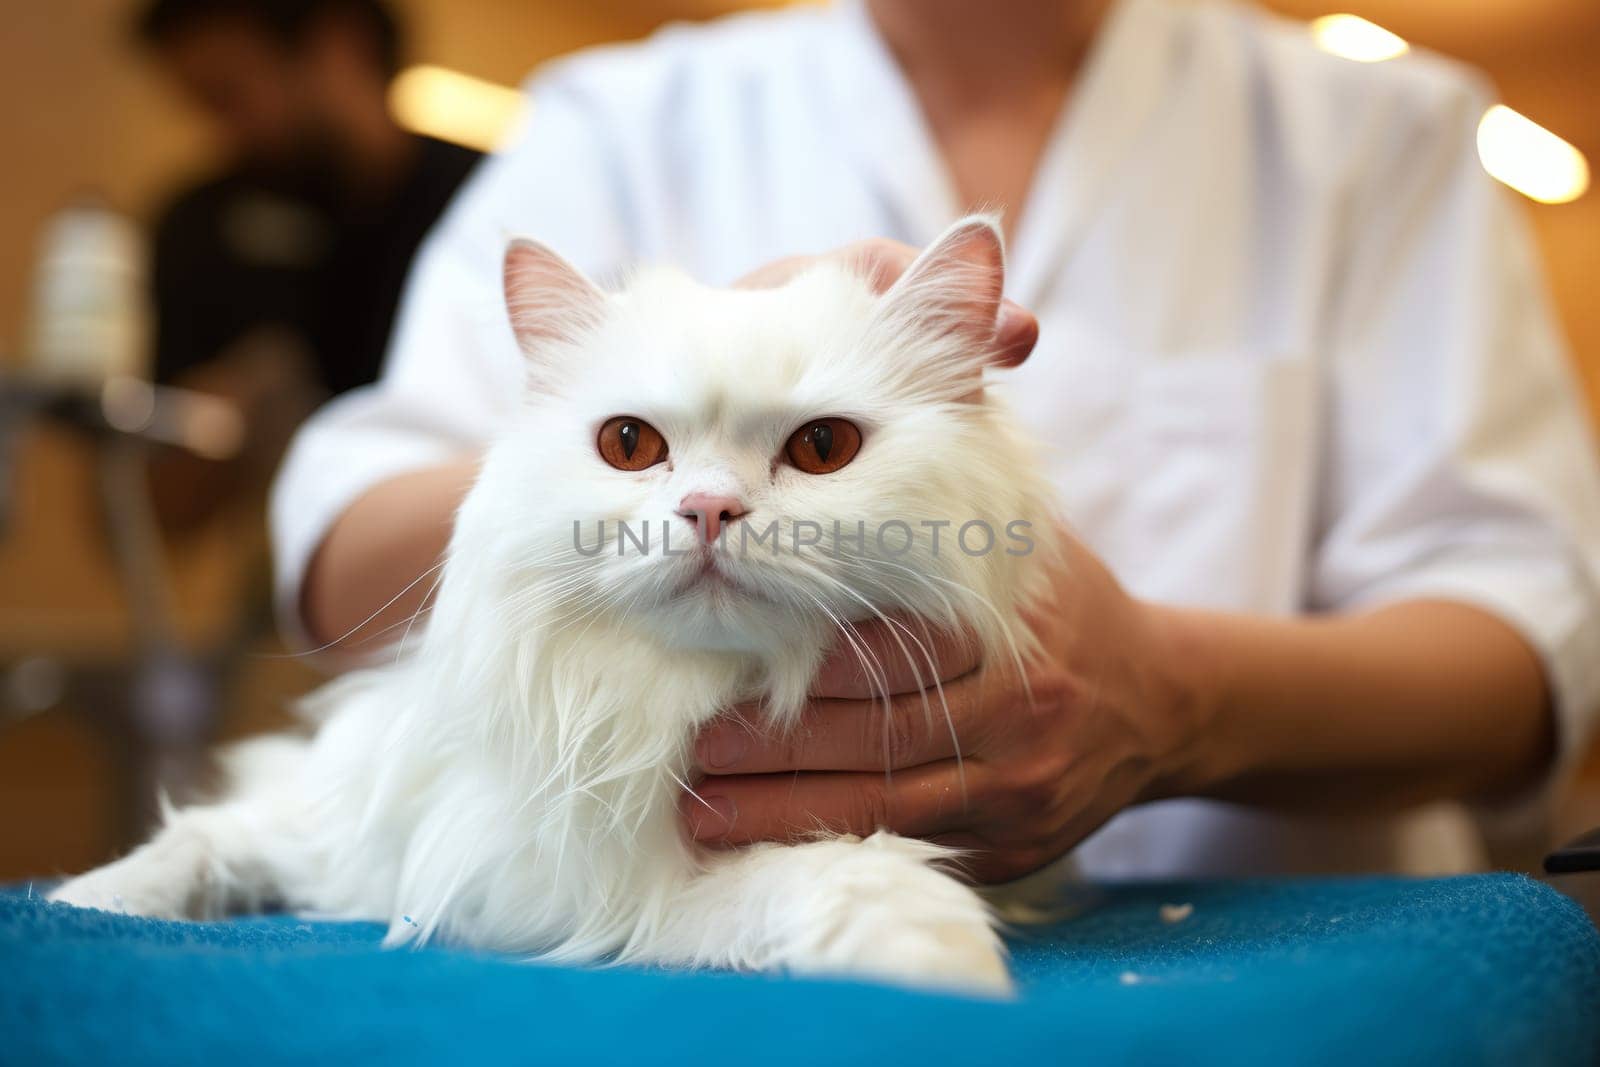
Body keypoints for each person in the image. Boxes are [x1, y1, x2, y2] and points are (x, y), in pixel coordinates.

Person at [270, 0, 1600, 879]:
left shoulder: (1385, 132)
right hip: (710, 948)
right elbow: (343, 564)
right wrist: (690, 386)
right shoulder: (614, 122)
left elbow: (1531, 644)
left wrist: (1176, 698)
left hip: (1280, 957)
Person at [135, 0, 482, 528]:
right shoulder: (203, 225)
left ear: (341, 46)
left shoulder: (487, 201)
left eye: (229, 93)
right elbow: (153, 513)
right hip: (300, 568)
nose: (225, 131)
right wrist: (221, 422)